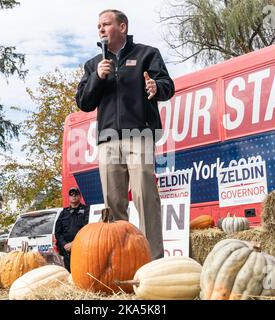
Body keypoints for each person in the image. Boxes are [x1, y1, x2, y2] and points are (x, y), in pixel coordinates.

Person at [75, 9, 175, 260]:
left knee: (145, 196)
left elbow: (167, 86)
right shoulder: (93, 65)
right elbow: (84, 103)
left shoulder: (147, 54)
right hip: (108, 139)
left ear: (122, 27)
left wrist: (156, 86)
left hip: (139, 134)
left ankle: (154, 260)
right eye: (98, 25)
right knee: (113, 202)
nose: (100, 29)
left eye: (106, 24)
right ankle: (122, 261)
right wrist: (98, 77)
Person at [54, 187, 89, 272]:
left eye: (76, 194)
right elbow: (58, 232)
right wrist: (64, 244)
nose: (74, 196)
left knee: (82, 272)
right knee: (69, 273)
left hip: (82, 248)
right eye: (71, 195)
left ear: (80, 197)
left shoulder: (87, 210)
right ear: (69, 198)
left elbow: (88, 230)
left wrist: (74, 243)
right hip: (67, 251)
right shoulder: (63, 213)